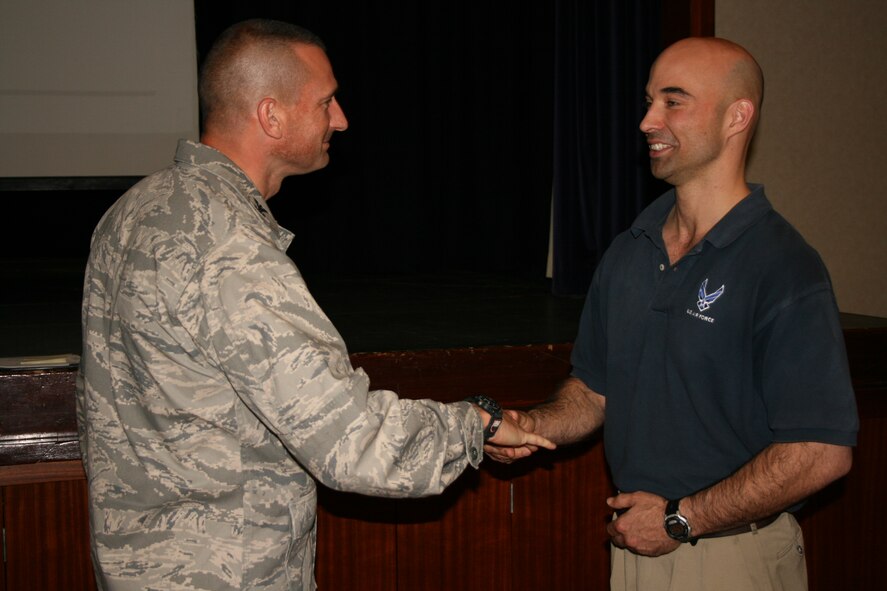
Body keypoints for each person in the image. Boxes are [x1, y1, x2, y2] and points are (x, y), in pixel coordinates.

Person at [75, 18, 553, 591]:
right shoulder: (229, 244)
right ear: (271, 116)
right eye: (326, 101)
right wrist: (476, 423)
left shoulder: (131, 212)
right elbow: (351, 442)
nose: (342, 119)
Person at [487, 36, 858, 591]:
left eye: (673, 100)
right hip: (638, 547)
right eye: (648, 100)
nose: (647, 121)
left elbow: (822, 453)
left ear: (737, 116)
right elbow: (593, 391)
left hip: (735, 557)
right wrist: (532, 426)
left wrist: (683, 519)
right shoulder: (630, 249)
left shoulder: (783, 265)